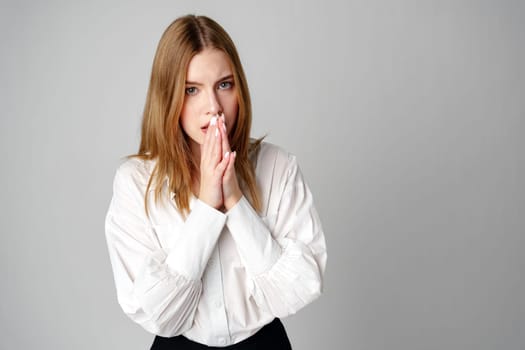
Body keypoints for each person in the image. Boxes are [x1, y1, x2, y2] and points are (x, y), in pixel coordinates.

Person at [105, 14, 327, 349]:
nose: (213, 107)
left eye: (224, 85)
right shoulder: (136, 183)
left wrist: (236, 200)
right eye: (191, 90)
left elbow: (299, 290)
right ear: (168, 97)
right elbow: (157, 313)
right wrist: (208, 207)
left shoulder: (277, 166)